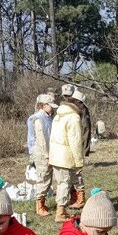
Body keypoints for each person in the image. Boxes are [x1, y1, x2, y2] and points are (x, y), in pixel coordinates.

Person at [48, 89, 85, 222]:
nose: (82, 107)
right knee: (64, 183)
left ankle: (61, 209)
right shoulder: (73, 117)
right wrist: (79, 161)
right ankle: (61, 212)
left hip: (55, 154)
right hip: (65, 156)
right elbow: (75, 141)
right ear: (78, 103)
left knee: (60, 182)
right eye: (82, 104)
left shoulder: (59, 115)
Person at [61, 84, 91, 209]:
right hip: (68, 146)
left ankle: (80, 199)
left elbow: (85, 132)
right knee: (69, 173)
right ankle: (74, 197)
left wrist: (84, 150)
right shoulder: (70, 110)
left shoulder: (82, 112)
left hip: (76, 145)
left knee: (76, 172)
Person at [27, 94, 57, 217]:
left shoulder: (48, 117)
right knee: (43, 177)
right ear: (42, 105)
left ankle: (42, 203)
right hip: (41, 152)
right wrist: (46, 154)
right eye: (50, 106)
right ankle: (39, 205)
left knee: (48, 177)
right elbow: (41, 139)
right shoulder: (37, 118)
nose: (52, 108)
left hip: (48, 151)